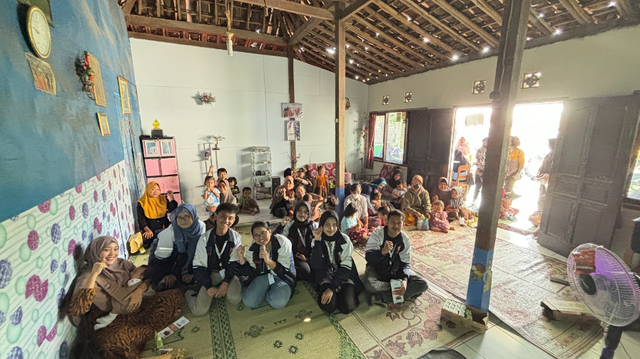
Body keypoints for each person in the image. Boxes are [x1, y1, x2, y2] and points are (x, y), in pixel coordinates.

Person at [65, 236, 183, 359]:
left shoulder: (122, 263)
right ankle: (144, 331)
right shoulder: (88, 277)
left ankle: (143, 329)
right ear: (96, 252)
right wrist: (95, 274)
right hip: (109, 318)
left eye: (115, 249)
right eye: (106, 250)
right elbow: (79, 310)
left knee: (173, 296)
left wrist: (139, 291)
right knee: (114, 345)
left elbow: (144, 278)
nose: (112, 254)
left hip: (135, 306)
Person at [187, 203, 243, 316]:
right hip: (210, 274)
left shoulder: (236, 237)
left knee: (235, 299)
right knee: (199, 311)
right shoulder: (204, 239)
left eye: (230, 218)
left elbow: (234, 264)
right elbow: (198, 266)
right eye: (223, 216)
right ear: (215, 216)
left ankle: (221, 288)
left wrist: (226, 283)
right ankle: (190, 292)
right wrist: (208, 286)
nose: (226, 220)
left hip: (227, 274)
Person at [363, 210, 428, 303]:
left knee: (423, 284)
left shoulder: (405, 239)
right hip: (377, 269)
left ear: (403, 225)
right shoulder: (377, 234)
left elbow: (405, 263)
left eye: (399, 223)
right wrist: (382, 252)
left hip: (395, 271)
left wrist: (404, 280)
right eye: (392, 222)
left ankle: (381, 297)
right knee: (370, 285)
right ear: (386, 222)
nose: (396, 226)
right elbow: (369, 258)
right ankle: (394, 290)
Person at [310, 211, 364, 314]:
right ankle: (336, 294)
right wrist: (317, 241)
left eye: (334, 225)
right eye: (327, 225)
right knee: (329, 307)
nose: (331, 228)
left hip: (344, 276)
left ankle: (339, 292)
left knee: (347, 307)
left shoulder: (344, 240)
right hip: (326, 275)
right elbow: (316, 265)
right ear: (321, 225)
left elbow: (345, 267)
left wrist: (332, 288)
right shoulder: (317, 240)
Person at [238, 222, 296, 309]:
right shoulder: (252, 249)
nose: (261, 238)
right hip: (264, 277)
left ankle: (266, 293)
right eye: (256, 235)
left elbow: (284, 270)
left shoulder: (282, 242)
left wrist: (268, 261)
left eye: (263, 233)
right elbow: (250, 272)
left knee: (278, 303)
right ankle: (265, 291)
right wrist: (241, 258)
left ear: (269, 231)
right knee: (249, 302)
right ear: (253, 237)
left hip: (282, 277)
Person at [148, 204, 206, 291]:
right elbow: (160, 260)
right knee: (165, 286)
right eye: (179, 217)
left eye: (187, 216)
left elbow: (198, 250)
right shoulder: (169, 234)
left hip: (184, 258)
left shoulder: (200, 226)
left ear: (193, 216)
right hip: (165, 261)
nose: (183, 221)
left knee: (199, 280)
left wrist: (192, 273)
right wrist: (169, 274)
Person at [283, 202, 318, 281]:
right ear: (295, 212)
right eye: (299, 211)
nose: (302, 214)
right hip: (295, 256)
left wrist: (307, 259)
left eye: (305, 212)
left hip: (311, 256)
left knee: (318, 270)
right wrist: (281, 226)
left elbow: (319, 245)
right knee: (306, 271)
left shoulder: (313, 226)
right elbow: (280, 240)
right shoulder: (290, 226)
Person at [137, 181, 178, 247]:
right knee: (145, 241)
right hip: (151, 230)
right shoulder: (142, 203)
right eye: (153, 189)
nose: (155, 192)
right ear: (148, 190)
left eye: (158, 189)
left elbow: (172, 209)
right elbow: (141, 220)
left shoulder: (163, 199)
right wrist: (148, 231)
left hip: (165, 227)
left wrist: (172, 197)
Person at [531, 138, 556, 226]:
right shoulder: (550, 154)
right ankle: (539, 218)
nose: (547, 146)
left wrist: (548, 175)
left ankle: (542, 220)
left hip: (549, 180)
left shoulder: (556, 155)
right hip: (544, 179)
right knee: (541, 197)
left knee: (544, 199)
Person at [474, 138, 488, 202]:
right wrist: (477, 162)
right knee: (477, 185)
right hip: (479, 169)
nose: (484, 143)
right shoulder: (480, 149)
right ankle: (474, 199)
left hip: (486, 171)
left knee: (484, 187)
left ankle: (482, 201)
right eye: (483, 142)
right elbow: (477, 158)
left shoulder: (491, 151)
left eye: (485, 142)